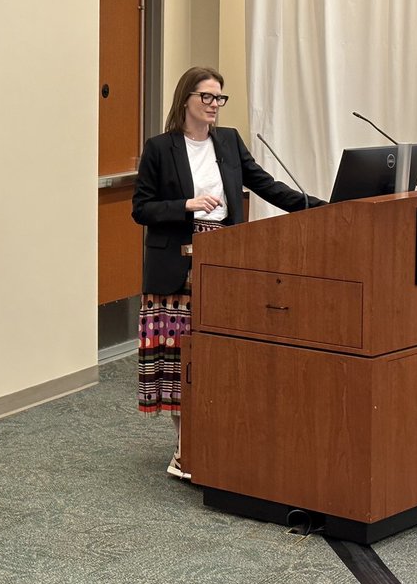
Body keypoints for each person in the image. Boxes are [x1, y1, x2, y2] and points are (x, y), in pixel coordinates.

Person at [131, 66, 323, 480]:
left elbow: (267, 185)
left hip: (224, 257)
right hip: (174, 266)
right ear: (187, 100)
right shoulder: (160, 148)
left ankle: (214, 438)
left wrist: (321, 208)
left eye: (220, 98)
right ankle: (185, 448)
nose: (215, 105)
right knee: (180, 359)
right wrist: (185, 205)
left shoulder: (229, 142)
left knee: (216, 353)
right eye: (208, 97)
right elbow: (141, 208)